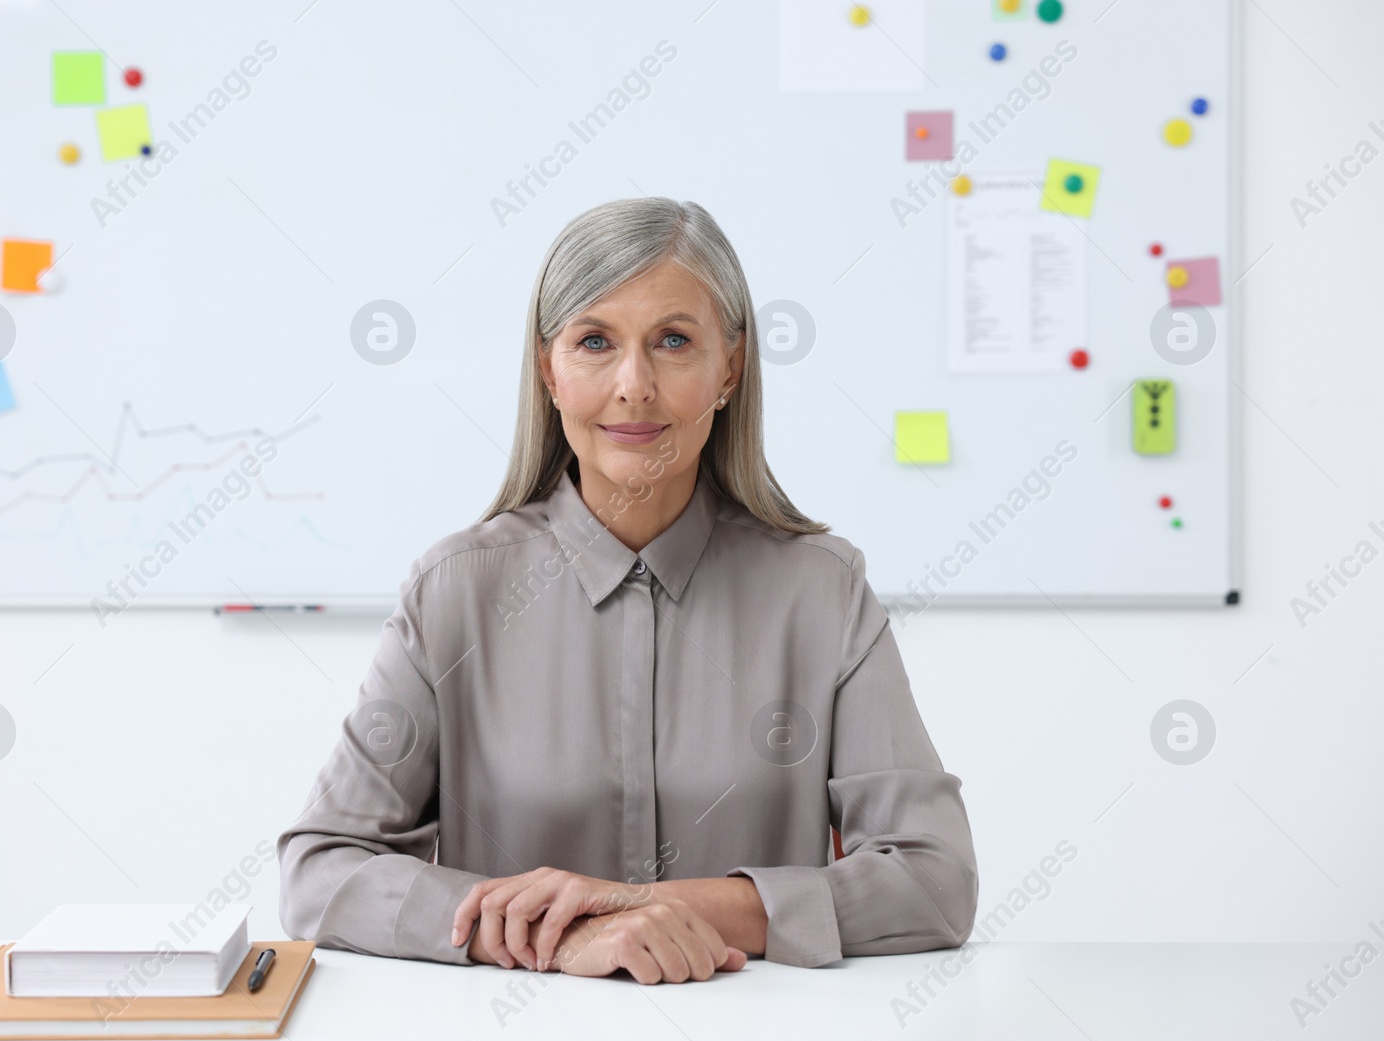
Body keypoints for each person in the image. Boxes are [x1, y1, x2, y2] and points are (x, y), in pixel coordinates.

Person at [278, 197, 977, 984]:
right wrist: (558, 936)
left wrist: (647, 905)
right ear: (549, 370)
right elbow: (320, 870)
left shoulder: (823, 591)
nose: (634, 385)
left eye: (674, 341)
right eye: (594, 342)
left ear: (730, 369)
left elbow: (935, 880)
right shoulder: (454, 593)